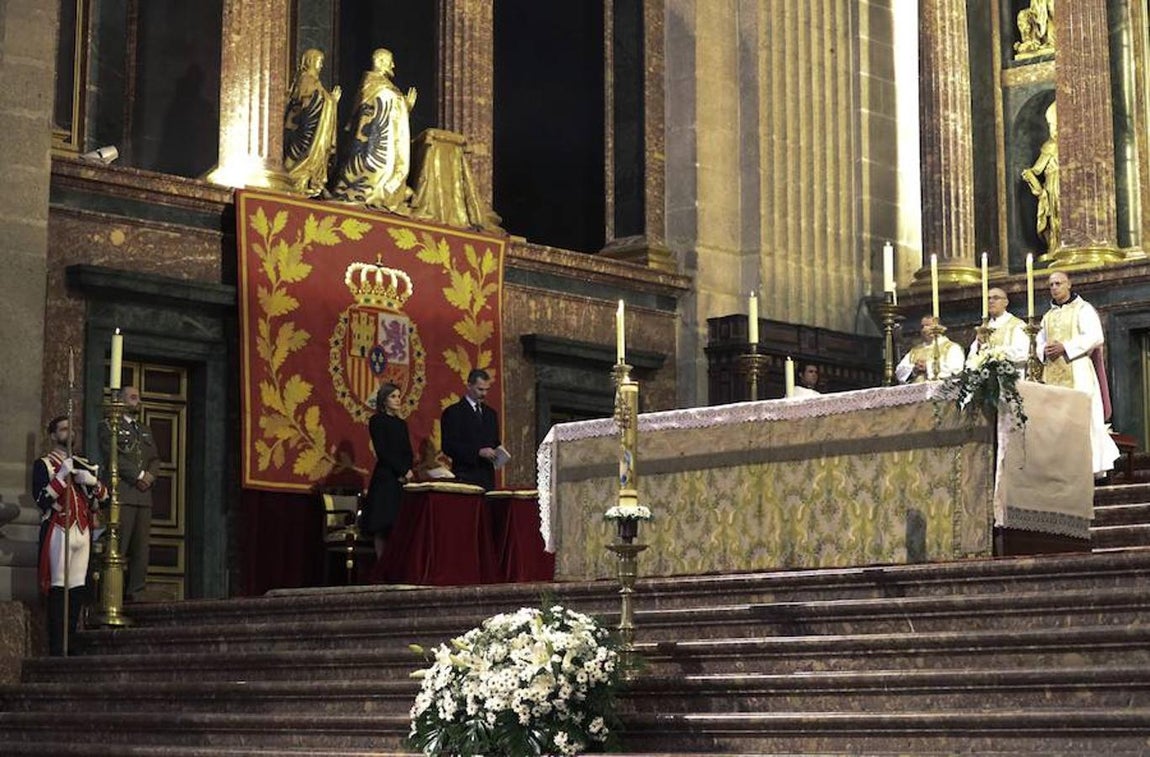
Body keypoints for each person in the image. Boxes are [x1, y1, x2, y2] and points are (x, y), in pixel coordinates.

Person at [32, 415, 108, 655]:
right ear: (53, 435)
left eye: (71, 428)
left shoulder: (83, 462)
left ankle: (71, 644)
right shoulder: (43, 464)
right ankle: (57, 647)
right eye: (64, 429)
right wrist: (62, 477)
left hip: (82, 531)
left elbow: (104, 499)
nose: (69, 432)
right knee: (58, 588)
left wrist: (93, 482)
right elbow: (42, 499)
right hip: (59, 529)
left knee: (76, 589)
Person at [1038, 271, 1120, 475]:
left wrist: (1065, 347)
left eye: (1058, 283)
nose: (1054, 288)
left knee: (1082, 418)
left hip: (1078, 371)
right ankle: (1061, 468)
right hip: (1052, 374)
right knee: (1055, 422)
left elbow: (1095, 336)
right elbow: (1039, 341)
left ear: (1069, 285)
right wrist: (1043, 350)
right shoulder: (1047, 317)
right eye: (1051, 285)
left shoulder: (1083, 309)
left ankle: (1087, 467)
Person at [327, 48, 417, 213]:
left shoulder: (369, 85)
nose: (394, 65)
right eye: (391, 61)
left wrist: (404, 109)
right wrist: (405, 106)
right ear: (381, 62)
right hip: (373, 156)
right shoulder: (384, 89)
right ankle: (379, 190)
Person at [98, 386, 160, 601]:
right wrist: (139, 476)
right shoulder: (108, 427)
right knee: (119, 546)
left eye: (138, 398)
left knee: (141, 549)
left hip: (143, 497)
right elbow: (113, 457)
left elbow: (155, 458)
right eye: (133, 397)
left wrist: (149, 477)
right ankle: (112, 594)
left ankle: (137, 592)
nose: (137, 401)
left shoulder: (144, 429)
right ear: (121, 400)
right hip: (124, 493)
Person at [360, 382, 414, 559]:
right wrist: (401, 470)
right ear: (384, 400)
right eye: (393, 396)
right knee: (382, 525)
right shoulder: (377, 421)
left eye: (399, 396)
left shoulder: (401, 424)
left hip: (401, 481)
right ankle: (381, 565)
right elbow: (383, 451)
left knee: (398, 526)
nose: (398, 400)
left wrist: (408, 470)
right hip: (385, 480)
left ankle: (393, 566)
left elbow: (407, 451)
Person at [283, 48, 341, 196]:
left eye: (321, 62)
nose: (321, 65)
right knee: (299, 151)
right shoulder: (306, 79)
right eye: (319, 61)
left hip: (315, 126)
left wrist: (331, 101)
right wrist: (331, 100)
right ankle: (292, 177)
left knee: (314, 150)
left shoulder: (315, 82)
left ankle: (310, 179)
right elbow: (305, 101)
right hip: (304, 125)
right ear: (311, 61)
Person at [440, 369, 501, 491]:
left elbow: (494, 441)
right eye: (480, 389)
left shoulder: (491, 414)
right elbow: (448, 446)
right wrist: (477, 452)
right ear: (469, 386)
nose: (484, 394)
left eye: (486, 390)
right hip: (465, 475)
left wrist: (499, 452)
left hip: (487, 477)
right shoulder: (453, 412)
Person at [1021, 102, 1059, 254]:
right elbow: (1037, 169)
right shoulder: (1049, 146)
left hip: (1067, 186)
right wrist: (1029, 175)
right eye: (1050, 125)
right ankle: (1054, 245)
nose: (1053, 128)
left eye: (1055, 124)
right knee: (1054, 214)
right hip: (1053, 184)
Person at [967, 287, 1029, 369]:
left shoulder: (1017, 325)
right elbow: (971, 358)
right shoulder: (984, 328)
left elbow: (1022, 354)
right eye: (988, 298)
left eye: (996, 298)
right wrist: (979, 346)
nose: (991, 301)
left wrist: (994, 353)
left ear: (1006, 302)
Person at [895, 315, 965, 384]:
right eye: (922, 326)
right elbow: (899, 371)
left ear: (938, 328)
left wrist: (928, 367)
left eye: (928, 325)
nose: (924, 329)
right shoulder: (915, 350)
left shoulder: (951, 347)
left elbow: (956, 370)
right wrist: (914, 369)